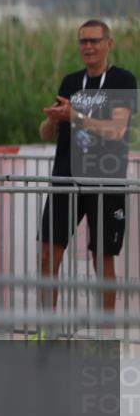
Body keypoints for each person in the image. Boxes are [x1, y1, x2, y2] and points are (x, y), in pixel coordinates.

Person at [38, 19, 137, 311]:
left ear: (109, 43)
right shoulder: (70, 82)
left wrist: (75, 116)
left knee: (102, 260)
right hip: (65, 178)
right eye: (83, 41)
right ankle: (47, 329)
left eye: (95, 40)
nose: (89, 46)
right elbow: (45, 134)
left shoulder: (122, 80)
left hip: (105, 180)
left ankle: (104, 333)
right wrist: (52, 120)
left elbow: (116, 130)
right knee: (47, 256)